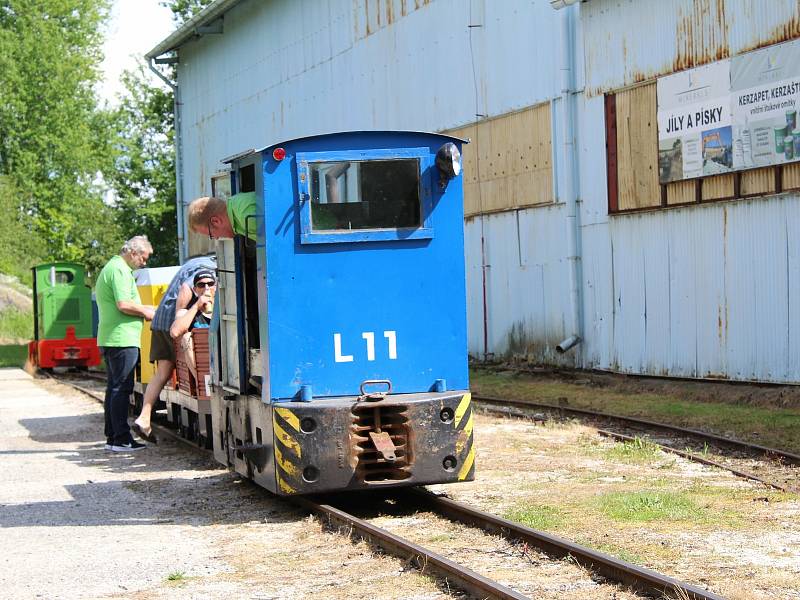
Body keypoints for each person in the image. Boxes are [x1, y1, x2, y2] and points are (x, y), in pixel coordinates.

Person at [132, 254, 216, 442]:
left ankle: (144, 418)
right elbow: (185, 290)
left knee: (162, 374)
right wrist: (183, 314)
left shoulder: (196, 263)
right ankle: (205, 391)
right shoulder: (207, 268)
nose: (207, 288)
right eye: (202, 285)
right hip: (169, 324)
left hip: (160, 320)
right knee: (176, 357)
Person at [94, 235, 155, 452]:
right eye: (143, 258)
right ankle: (120, 438)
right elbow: (123, 304)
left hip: (112, 336)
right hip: (122, 337)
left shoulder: (112, 267)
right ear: (133, 253)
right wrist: (147, 310)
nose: (144, 263)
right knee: (122, 388)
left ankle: (113, 437)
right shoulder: (119, 270)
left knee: (114, 388)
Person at [170, 269, 217, 385]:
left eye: (210, 284)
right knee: (186, 337)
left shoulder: (225, 309)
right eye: (201, 285)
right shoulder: (187, 312)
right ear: (195, 290)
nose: (206, 288)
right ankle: (203, 383)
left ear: (215, 287)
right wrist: (197, 306)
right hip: (202, 364)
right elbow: (175, 332)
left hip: (222, 360)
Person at [187, 192, 257, 241]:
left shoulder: (245, 216)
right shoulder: (236, 214)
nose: (217, 238)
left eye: (211, 234)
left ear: (216, 221)